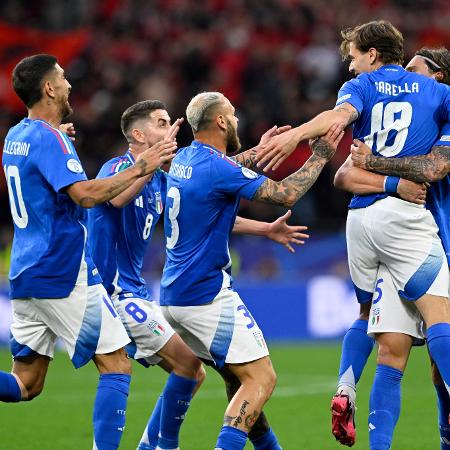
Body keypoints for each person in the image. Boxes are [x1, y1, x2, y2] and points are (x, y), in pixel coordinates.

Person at [255, 20, 450, 450]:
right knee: (440, 324)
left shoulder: (363, 90)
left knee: (389, 347)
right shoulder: (440, 99)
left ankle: (347, 389)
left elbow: (339, 133)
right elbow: (434, 170)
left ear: (373, 55)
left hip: (361, 222)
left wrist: (298, 139)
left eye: (354, 56)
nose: (349, 66)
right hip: (412, 225)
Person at [88, 99, 311, 450]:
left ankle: (156, 446)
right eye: (161, 124)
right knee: (196, 369)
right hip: (112, 292)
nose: (170, 130)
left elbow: (208, 200)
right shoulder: (117, 168)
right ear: (137, 134)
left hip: (146, 292)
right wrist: (148, 166)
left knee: (191, 368)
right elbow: (114, 199)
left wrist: (265, 227)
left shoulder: (164, 177)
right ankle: (161, 446)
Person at [0, 54, 177, 450]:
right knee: (116, 366)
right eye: (62, 79)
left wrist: (54, 137)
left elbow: (38, 165)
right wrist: (141, 166)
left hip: (25, 272)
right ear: (48, 88)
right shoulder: (50, 139)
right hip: (61, 269)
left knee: (26, 384)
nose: (69, 85)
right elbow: (86, 196)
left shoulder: (18, 135)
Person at [158, 91, 343, 450]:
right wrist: (320, 155)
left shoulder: (185, 159)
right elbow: (286, 193)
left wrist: (258, 154)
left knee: (237, 380)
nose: (238, 119)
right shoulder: (215, 167)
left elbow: (224, 175)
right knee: (262, 379)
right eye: (233, 114)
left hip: (176, 295)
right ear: (221, 122)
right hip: (205, 294)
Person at [336, 47, 450, 449]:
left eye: (415, 73)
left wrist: (376, 164)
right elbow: (344, 175)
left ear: (437, 78)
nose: (405, 82)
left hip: (433, 240)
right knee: (392, 353)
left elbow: (432, 169)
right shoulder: (408, 127)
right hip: (412, 243)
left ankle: (345, 388)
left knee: (428, 362)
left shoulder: (441, 119)